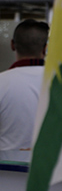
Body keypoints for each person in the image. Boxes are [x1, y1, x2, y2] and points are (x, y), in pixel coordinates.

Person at [0, 19, 49, 151]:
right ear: (45, 47)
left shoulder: (2, 82)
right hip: (51, 169)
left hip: (6, 169)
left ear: (12, 45)